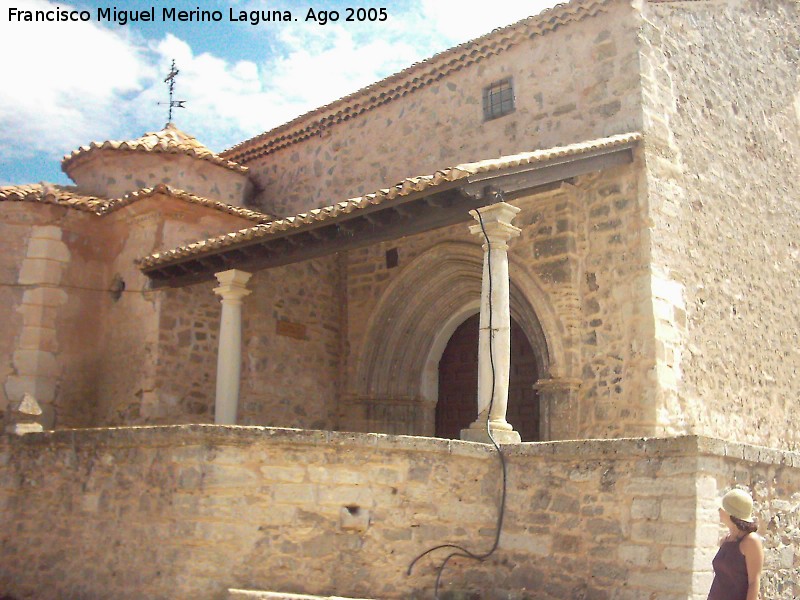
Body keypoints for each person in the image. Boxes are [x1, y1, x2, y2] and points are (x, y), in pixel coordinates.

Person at [707, 488, 764, 600]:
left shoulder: (751, 541)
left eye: (722, 508)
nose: (719, 510)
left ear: (730, 514)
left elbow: (754, 582)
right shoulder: (726, 540)